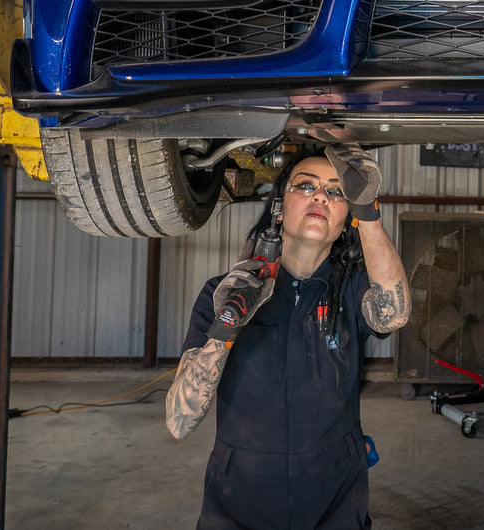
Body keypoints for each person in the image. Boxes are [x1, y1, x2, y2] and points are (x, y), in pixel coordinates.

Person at [165, 143, 410, 529]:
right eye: (305, 185)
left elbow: (393, 315)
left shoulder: (350, 288)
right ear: (280, 206)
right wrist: (228, 324)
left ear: (347, 216)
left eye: (336, 191)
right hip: (240, 502)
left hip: (336, 499)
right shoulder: (223, 293)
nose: (320, 197)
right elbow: (180, 420)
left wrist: (369, 213)